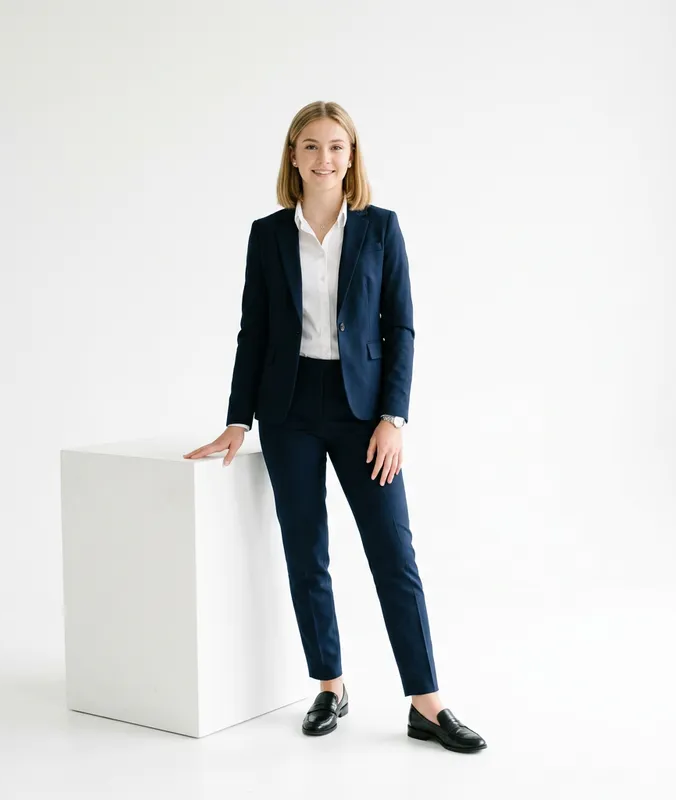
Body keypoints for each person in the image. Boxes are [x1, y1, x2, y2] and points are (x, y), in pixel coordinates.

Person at [183, 101, 486, 754]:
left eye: (337, 147)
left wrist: (392, 417)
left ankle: (426, 703)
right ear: (293, 155)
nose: (325, 158)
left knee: (393, 555)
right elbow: (254, 332)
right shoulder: (267, 236)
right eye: (312, 146)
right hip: (288, 409)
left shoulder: (380, 228)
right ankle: (330, 685)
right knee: (306, 550)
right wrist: (238, 419)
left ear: (353, 157)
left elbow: (399, 327)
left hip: (362, 412)